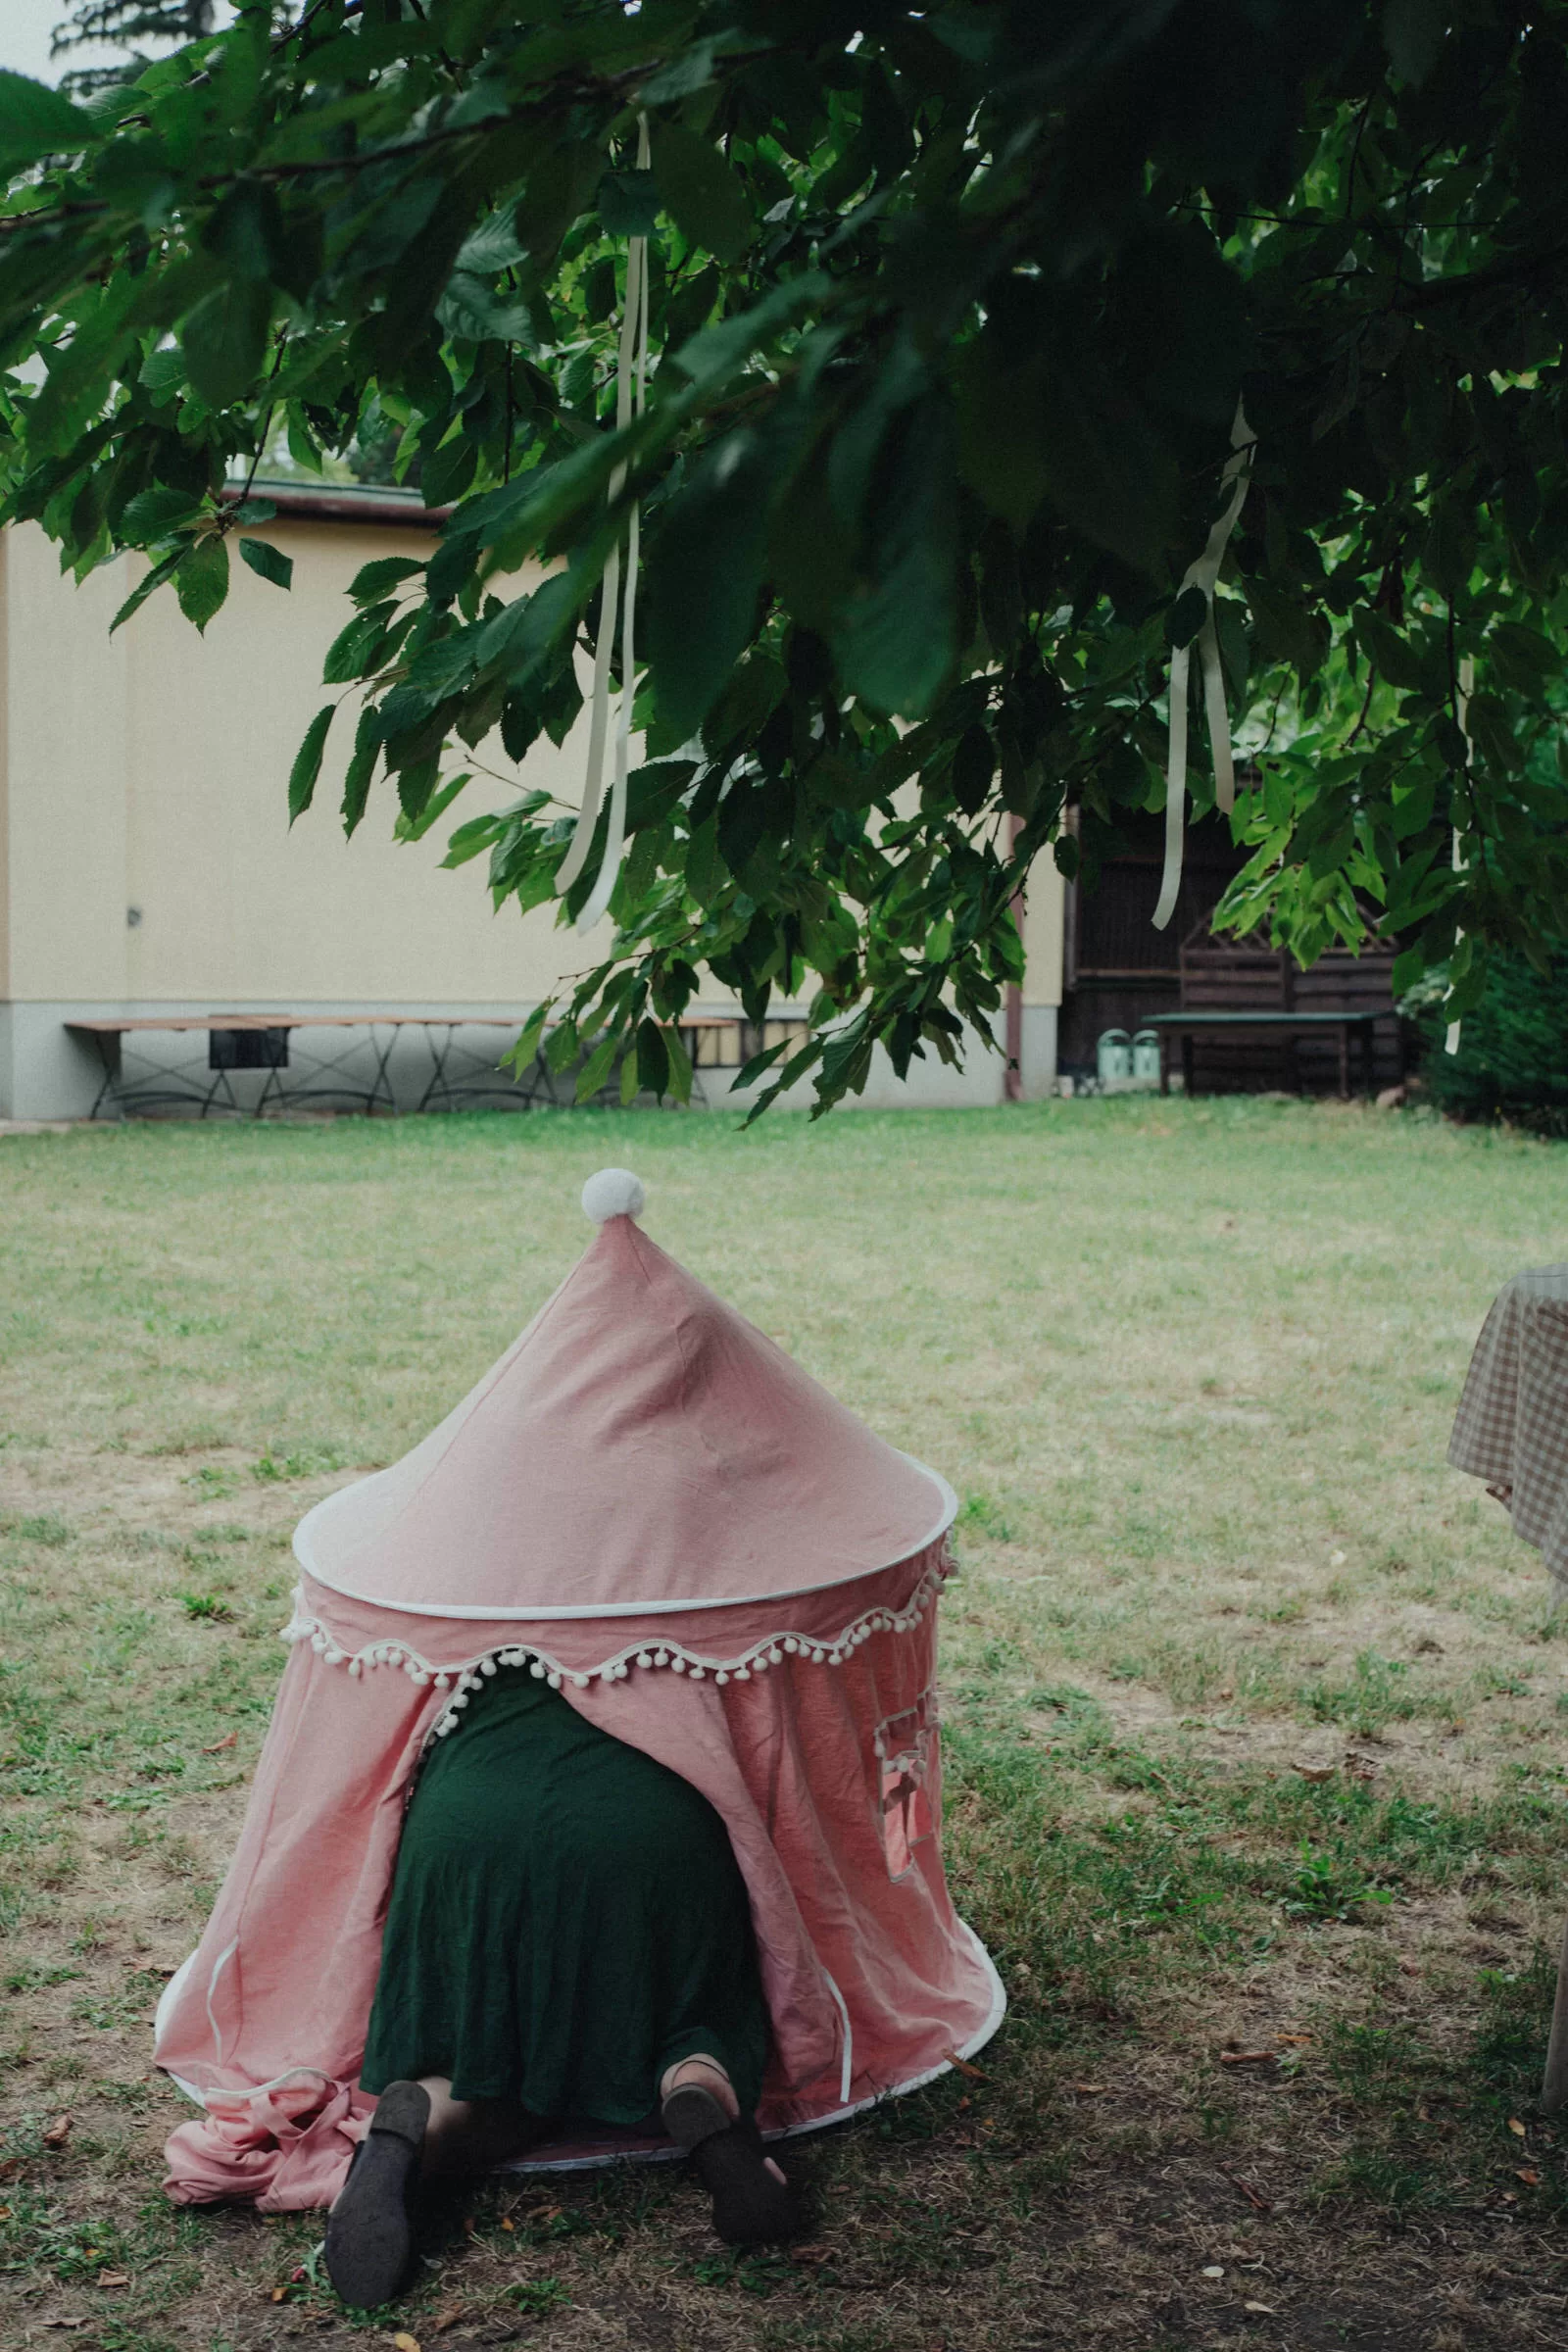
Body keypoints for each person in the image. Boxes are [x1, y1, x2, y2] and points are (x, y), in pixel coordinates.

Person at [323, 1658, 800, 2307]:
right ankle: (695, 2079)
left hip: (469, 1820)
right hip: (649, 1819)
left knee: (479, 2059)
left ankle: (421, 2116)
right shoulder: (679, 1580)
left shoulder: (468, 1580)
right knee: (693, 2005)